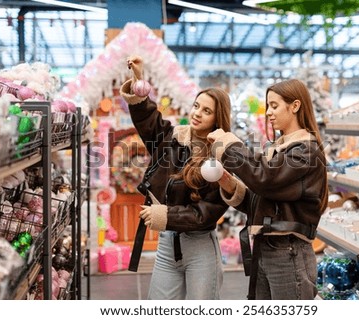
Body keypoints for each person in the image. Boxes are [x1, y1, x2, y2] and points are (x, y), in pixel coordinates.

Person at [120, 55, 231, 300]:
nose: (197, 113)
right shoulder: (171, 138)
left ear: (217, 117)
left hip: (201, 248)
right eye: (196, 106)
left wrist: (166, 215)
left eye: (207, 110)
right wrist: (139, 81)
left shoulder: (221, 155)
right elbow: (148, 119)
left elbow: (207, 212)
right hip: (168, 244)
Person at [207, 79, 328, 300]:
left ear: (295, 106)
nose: (269, 113)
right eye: (268, 106)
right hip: (267, 247)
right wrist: (230, 184)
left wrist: (229, 145)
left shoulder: (305, 151)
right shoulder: (278, 150)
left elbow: (265, 178)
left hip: (288, 250)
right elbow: (261, 197)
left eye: (274, 105)